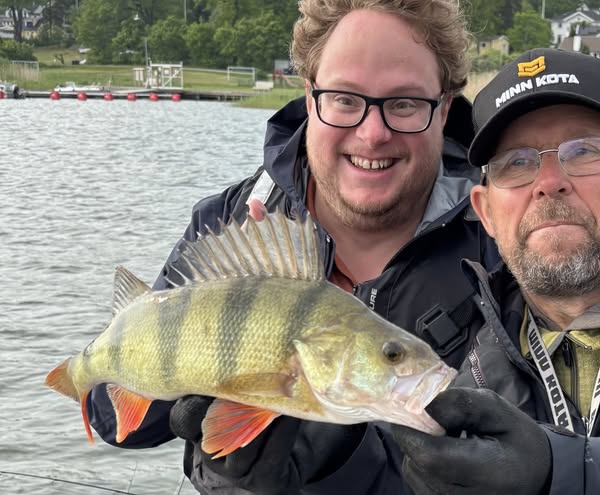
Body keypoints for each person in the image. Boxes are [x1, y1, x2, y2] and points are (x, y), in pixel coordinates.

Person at [87, 1, 500, 493]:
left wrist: (336, 463)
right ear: (309, 96)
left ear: (445, 108)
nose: (372, 134)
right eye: (344, 98)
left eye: (405, 103)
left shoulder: (503, 241)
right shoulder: (232, 221)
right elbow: (114, 422)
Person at [392, 47, 600, 495]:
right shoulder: (445, 370)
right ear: (485, 213)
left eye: (583, 150)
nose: (549, 183)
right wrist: (327, 467)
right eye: (517, 162)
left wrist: (565, 470)